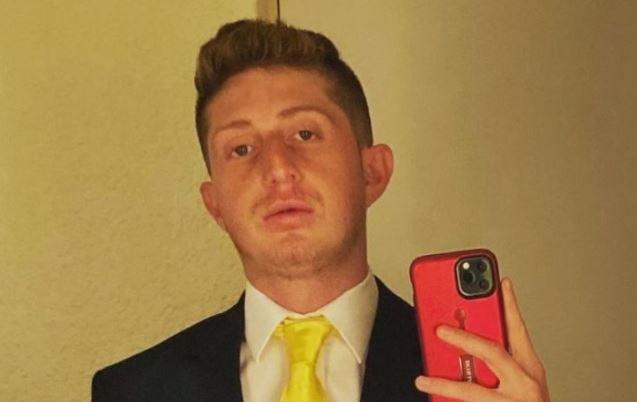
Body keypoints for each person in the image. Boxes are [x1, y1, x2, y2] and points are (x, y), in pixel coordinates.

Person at [92, 19, 550, 402]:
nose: (277, 168)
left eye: (305, 134)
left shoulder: (479, 380)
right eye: (241, 148)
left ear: (372, 172)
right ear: (216, 206)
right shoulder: (132, 392)